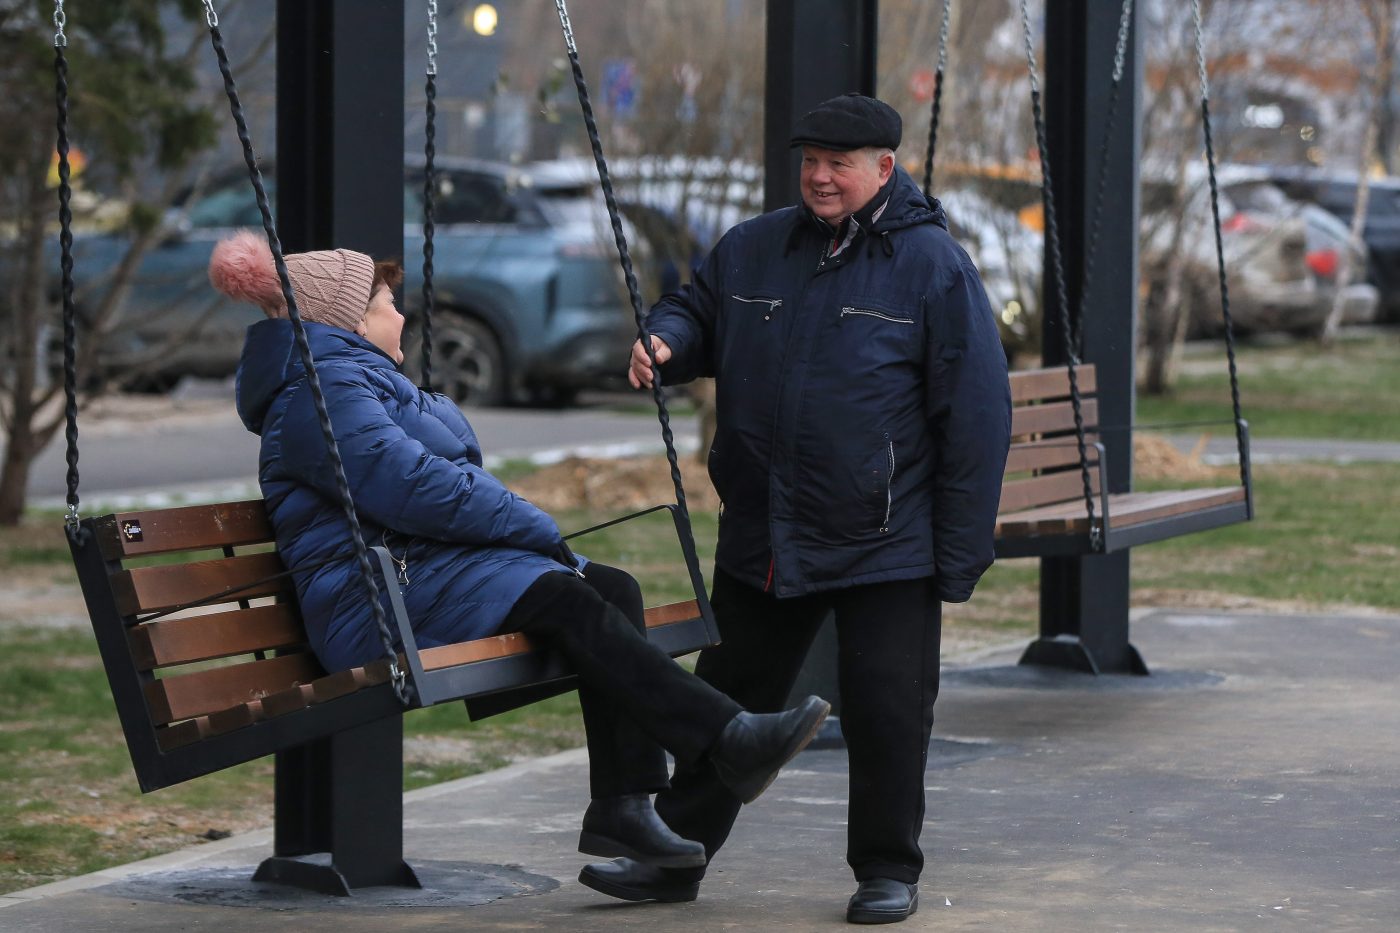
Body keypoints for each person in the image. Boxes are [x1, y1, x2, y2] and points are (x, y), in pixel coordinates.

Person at [208, 230, 830, 875]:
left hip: (420, 574)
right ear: (351, 321)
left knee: (613, 588)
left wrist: (510, 520)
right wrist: (530, 521)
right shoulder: (321, 394)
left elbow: (434, 478)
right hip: (377, 602)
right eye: (388, 303)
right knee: (563, 596)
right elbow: (412, 488)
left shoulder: (354, 383)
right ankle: (727, 737)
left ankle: (625, 807)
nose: (401, 315)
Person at [607, 93, 1012, 923]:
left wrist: (960, 550)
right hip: (765, 528)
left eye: (840, 164)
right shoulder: (756, 247)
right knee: (726, 700)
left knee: (889, 708)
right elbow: (700, 308)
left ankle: (886, 868)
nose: (820, 178)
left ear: (884, 169)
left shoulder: (934, 266)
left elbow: (975, 415)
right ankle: (676, 854)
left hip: (886, 536)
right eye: (811, 162)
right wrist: (666, 339)